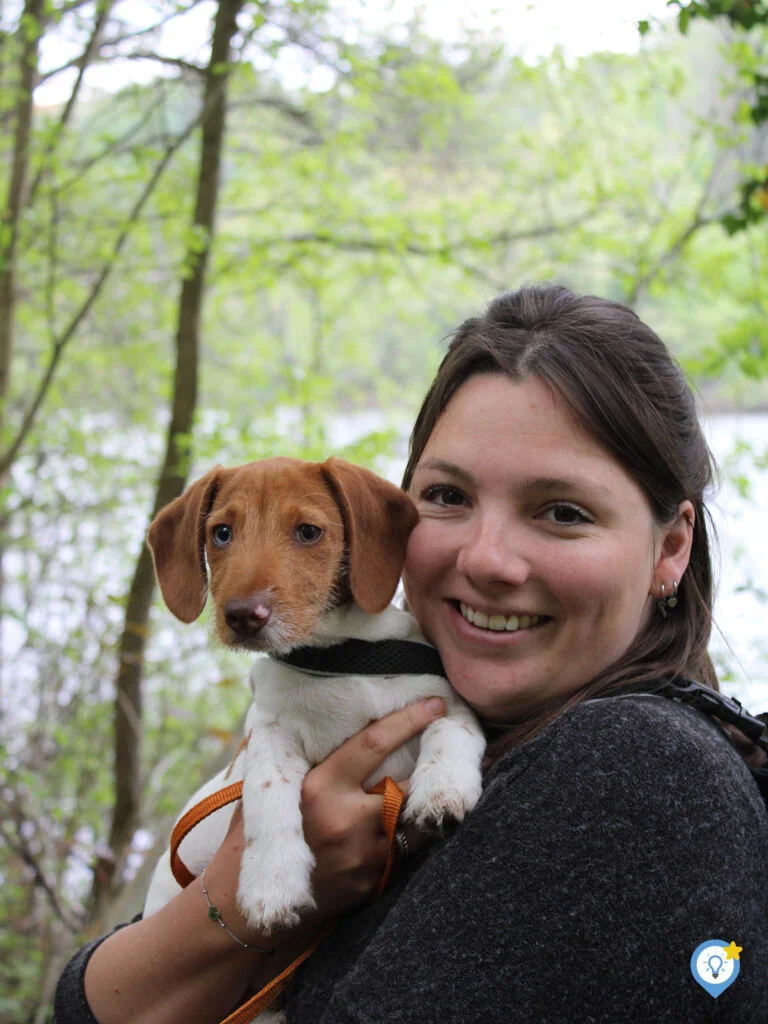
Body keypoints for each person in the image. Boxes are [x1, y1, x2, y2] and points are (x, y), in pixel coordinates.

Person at [55, 284, 768, 1023]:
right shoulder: (466, 746)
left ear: (672, 547)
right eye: (448, 497)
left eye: (563, 511)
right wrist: (237, 893)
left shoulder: (640, 774)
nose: (487, 559)